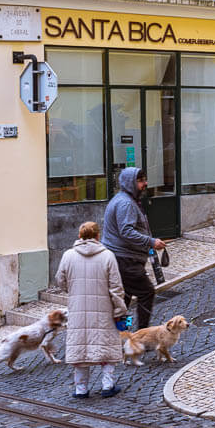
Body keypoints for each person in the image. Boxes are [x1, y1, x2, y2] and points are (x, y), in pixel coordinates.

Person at [55, 221, 126, 398]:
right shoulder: (108, 256)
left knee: (81, 348)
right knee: (107, 347)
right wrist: (120, 310)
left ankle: (81, 389)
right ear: (97, 236)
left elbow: (60, 281)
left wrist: (75, 291)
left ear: (79, 236)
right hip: (104, 310)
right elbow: (116, 288)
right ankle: (107, 386)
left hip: (77, 309)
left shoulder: (68, 255)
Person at [101, 167, 165, 330]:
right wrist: (151, 242)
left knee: (124, 300)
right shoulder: (125, 203)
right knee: (147, 292)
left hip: (123, 258)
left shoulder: (125, 200)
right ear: (131, 183)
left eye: (145, 179)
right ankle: (142, 334)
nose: (146, 183)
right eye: (141, 180)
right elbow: (126, 231)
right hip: (125, 260)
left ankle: (120, 333)